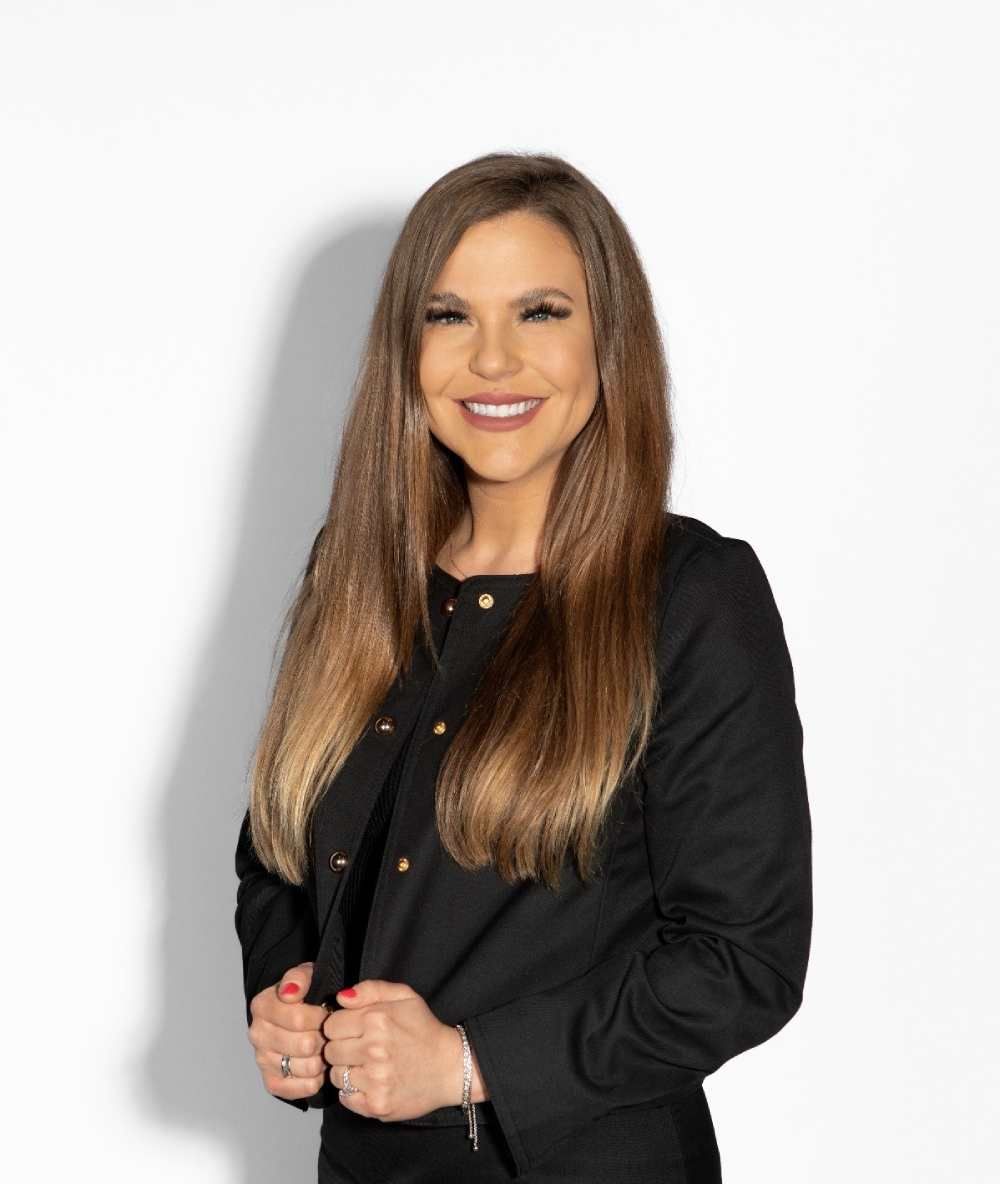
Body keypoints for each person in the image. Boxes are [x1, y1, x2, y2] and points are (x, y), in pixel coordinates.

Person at [234, 151, 813, 1183]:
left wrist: (466, 1062)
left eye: (540, 311)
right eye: (449, 316)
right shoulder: (358, 577)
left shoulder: (688, 594)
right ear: (405, 349)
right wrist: (284, 995)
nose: (492, 360)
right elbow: (276, 848)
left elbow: (742, 961)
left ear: (607, 344)